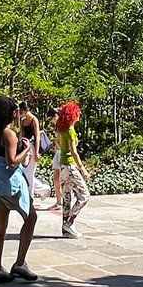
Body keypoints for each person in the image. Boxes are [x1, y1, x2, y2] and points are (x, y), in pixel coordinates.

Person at [0, 96, 38, 284]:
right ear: (13, 113)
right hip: (9, 184)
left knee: (1, 225)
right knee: (31, 217)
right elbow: (12, 162)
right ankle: (19, 263)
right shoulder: (9, 134)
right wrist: (26, 150)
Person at [55, 101, 90, 238]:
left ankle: (66, 229)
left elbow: (58, 143)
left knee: (67, 197)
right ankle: (69, 222)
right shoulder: (70, 130)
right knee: (84, 195)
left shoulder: (62, 129)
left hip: (62, 165)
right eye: (77, 112)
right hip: (70, 165)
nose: (79, 114)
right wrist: (83, 169)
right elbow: (74, 152)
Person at [17, 101, 43, 204]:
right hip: (25, 146)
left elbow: (37, 136)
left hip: (32, 146)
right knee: (24, 171)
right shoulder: (23, 121)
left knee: (30, 173)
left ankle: (30, 197)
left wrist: (36, 151)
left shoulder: (33, 120)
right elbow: (21, 134)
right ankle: (42, 189)